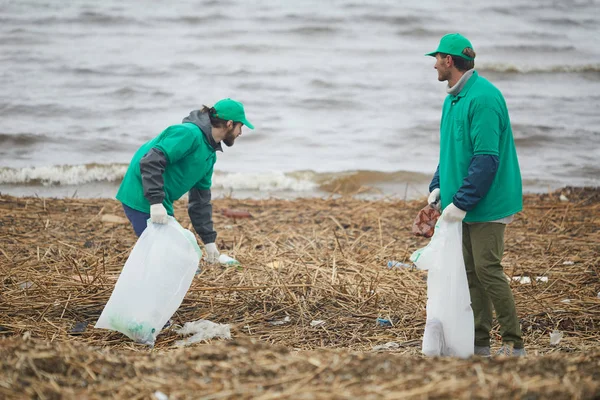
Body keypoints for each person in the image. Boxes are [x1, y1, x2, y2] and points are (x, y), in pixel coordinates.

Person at [424, 33, 525, 356]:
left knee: (487, 269)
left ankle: (513, 343)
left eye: (437, 58)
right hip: (463, 202)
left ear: (449, 61)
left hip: (489, 202)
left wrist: (463, 202)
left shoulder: (483, 98)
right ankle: (479, 343)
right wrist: (438, 186)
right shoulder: (452, 99)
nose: (435, 65)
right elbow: (449, 150)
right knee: (471, 273)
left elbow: (486, 159)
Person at [116, 98, 254, 264]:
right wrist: (155, 202)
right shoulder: (188, 134)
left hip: (161, 202)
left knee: (183, 260)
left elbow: (200, 201)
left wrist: (209, 241)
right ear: (230, 124)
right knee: (167, 261)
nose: (241, 133)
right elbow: (150, 160)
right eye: (241, 126)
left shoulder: (209, 155)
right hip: (140, 196)